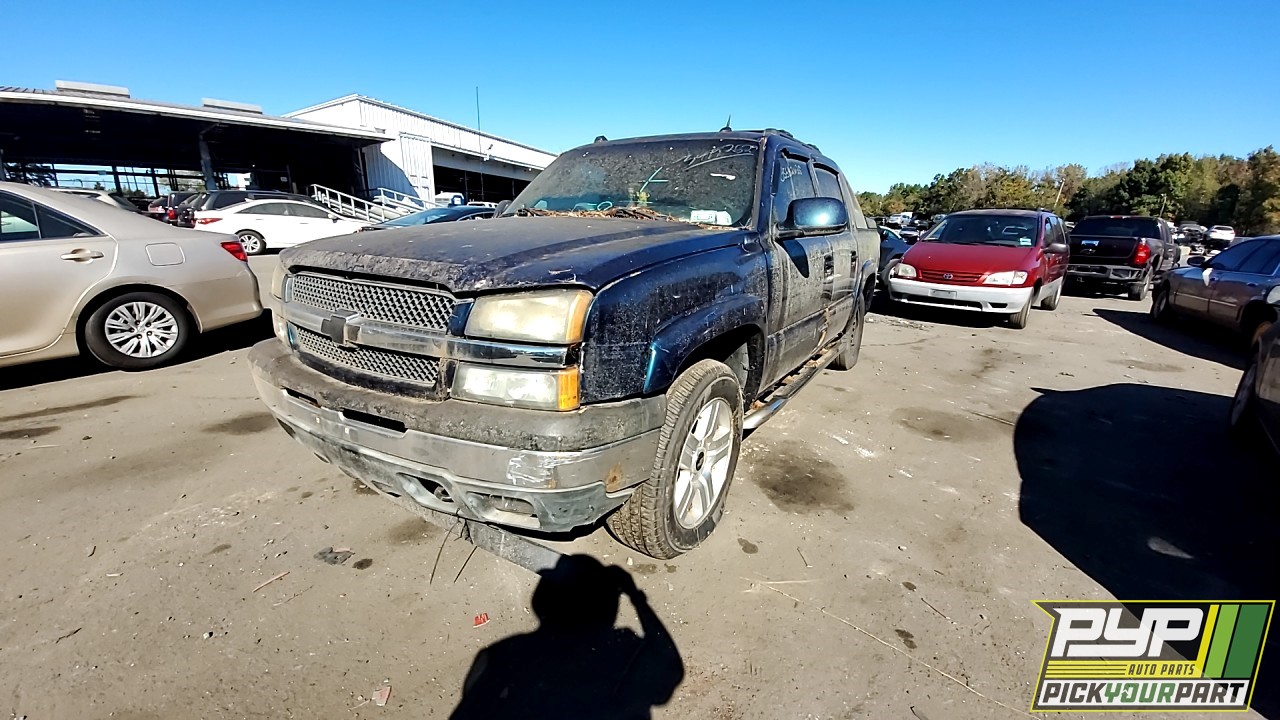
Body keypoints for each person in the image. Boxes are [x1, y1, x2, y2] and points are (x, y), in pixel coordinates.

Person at [451, 555, 684, 720]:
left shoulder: (501, 655)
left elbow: (469, 707)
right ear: (606, 611)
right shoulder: (620, 653)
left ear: (542, 603)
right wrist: (636, 598)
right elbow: (670, 668)